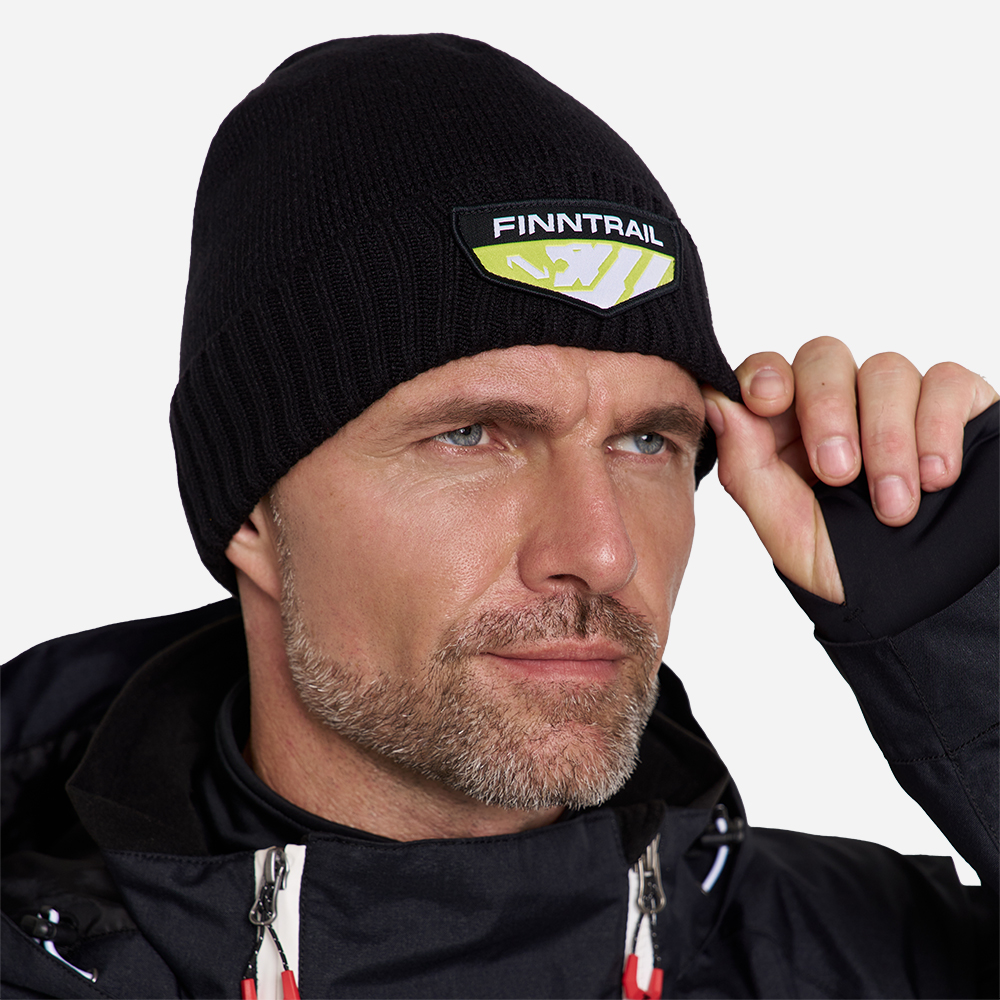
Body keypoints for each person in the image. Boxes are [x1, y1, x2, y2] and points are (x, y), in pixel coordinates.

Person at [2, 33, 996, 1000]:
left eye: (646, 441)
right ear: (252, 514)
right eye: (472, 435)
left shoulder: (876, 958)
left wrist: (969, 613)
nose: (602, 551)